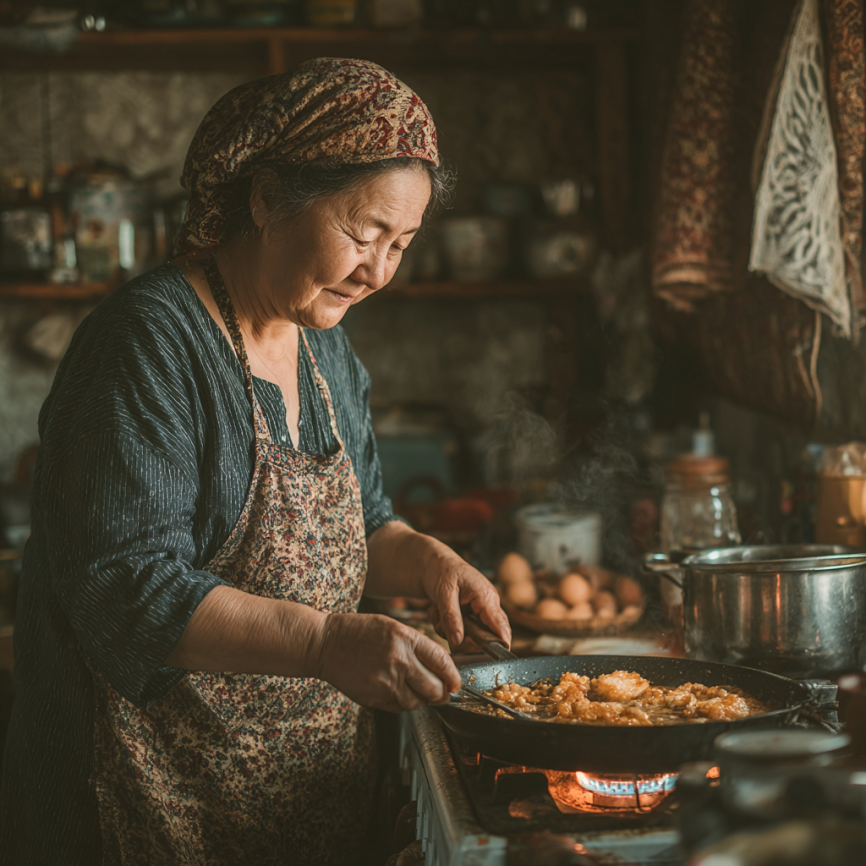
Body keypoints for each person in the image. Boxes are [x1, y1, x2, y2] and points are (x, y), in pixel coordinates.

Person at [0, 57, 510, 865]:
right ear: (267, 199)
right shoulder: (148, 343)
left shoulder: (326, 350)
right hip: (146, 804)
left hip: (302, 803)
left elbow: (365, 524)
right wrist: (322, 645)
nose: (379, 271)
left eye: (402, 244)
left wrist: (430, 560)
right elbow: (128, 588)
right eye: (363, 232)